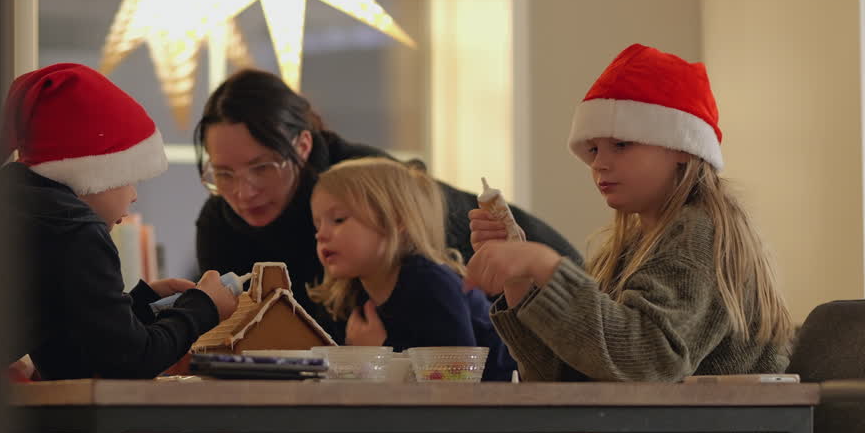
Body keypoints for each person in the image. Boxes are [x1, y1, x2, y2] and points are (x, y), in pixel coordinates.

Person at [449, 44, 792, 433]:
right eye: (593, 150)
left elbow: (648, 361)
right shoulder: (632, 247)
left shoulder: (701, 233)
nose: (600, 164)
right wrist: (520, 278)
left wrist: (547, 266)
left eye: (622, 145)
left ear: (681, 147)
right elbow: (563, 381)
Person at [194, 68, 582, 338]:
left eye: (262, 167)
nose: (243, 192)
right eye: (223, 173)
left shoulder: (368, 187)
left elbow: (445, 365)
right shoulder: (219, 224)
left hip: (546, 306)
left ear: (304, 145)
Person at [308, 157, 516, 433]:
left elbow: (457, 373)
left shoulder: (428, 281)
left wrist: (377, 357)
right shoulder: (359, 292)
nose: (322, 235)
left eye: (338, 220)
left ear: (397, 222)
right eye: (317, 224)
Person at [3, 63, 236, 381]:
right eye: (130, 177)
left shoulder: (29, 213)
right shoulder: (76, 230)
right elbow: (132, 361)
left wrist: (139, 304)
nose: (134, 195)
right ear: (96, 172)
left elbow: (68, 358)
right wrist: (203, 308)